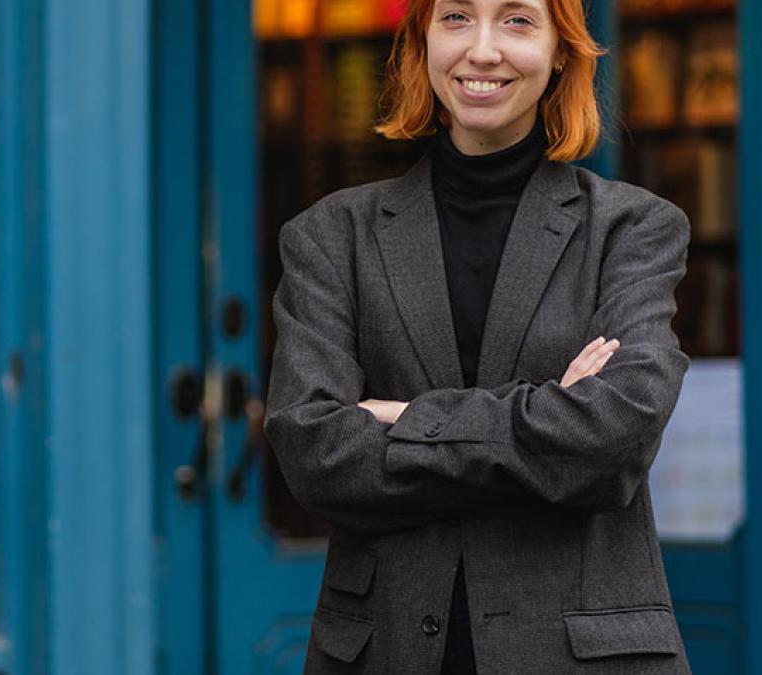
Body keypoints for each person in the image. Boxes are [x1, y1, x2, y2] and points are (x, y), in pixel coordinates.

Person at [263, 0, 692, 673]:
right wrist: (549, 422)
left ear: (560, 51)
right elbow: (314, 451)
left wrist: (406, 418)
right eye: (457, 17)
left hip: (582, 656)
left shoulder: (631, 230)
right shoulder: (329, 237)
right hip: (387, 650)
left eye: (518, 20)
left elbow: (617, 435)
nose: (483, 50)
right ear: (422, 42)